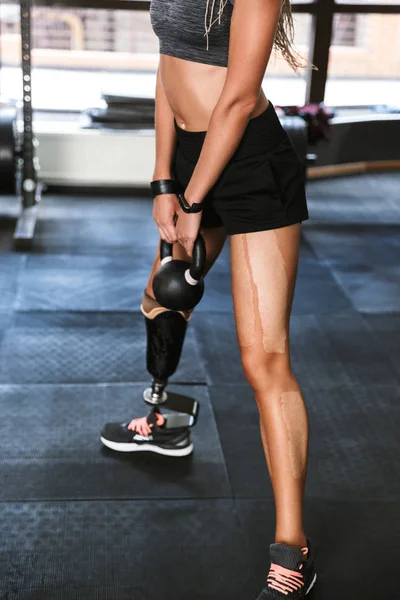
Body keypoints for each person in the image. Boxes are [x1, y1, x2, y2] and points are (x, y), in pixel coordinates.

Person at [101, 0, 317, 596]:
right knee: (162, 298)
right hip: (194, 158)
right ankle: (160, 414)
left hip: (247, 160)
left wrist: (195, 205)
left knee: (264, 360)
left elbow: (241, 97)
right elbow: (167, 66)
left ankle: (292, 548)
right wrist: (165, 179)